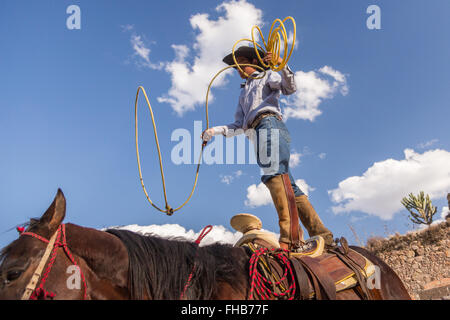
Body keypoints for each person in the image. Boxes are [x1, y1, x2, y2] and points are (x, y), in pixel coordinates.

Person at [202, 46, 334, 251]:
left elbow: (289, 88)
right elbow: (239, 125)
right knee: (288, 183)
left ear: (254, 62)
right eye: (235, 65)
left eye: (241, 62)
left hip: (269, 124)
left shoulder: (267, 75)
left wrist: (281, 65)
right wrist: (214, 131)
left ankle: (290, 239)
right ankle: (322, 235)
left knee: (274, 175)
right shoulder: (243, 92)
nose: (238, 67)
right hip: (256, 131)